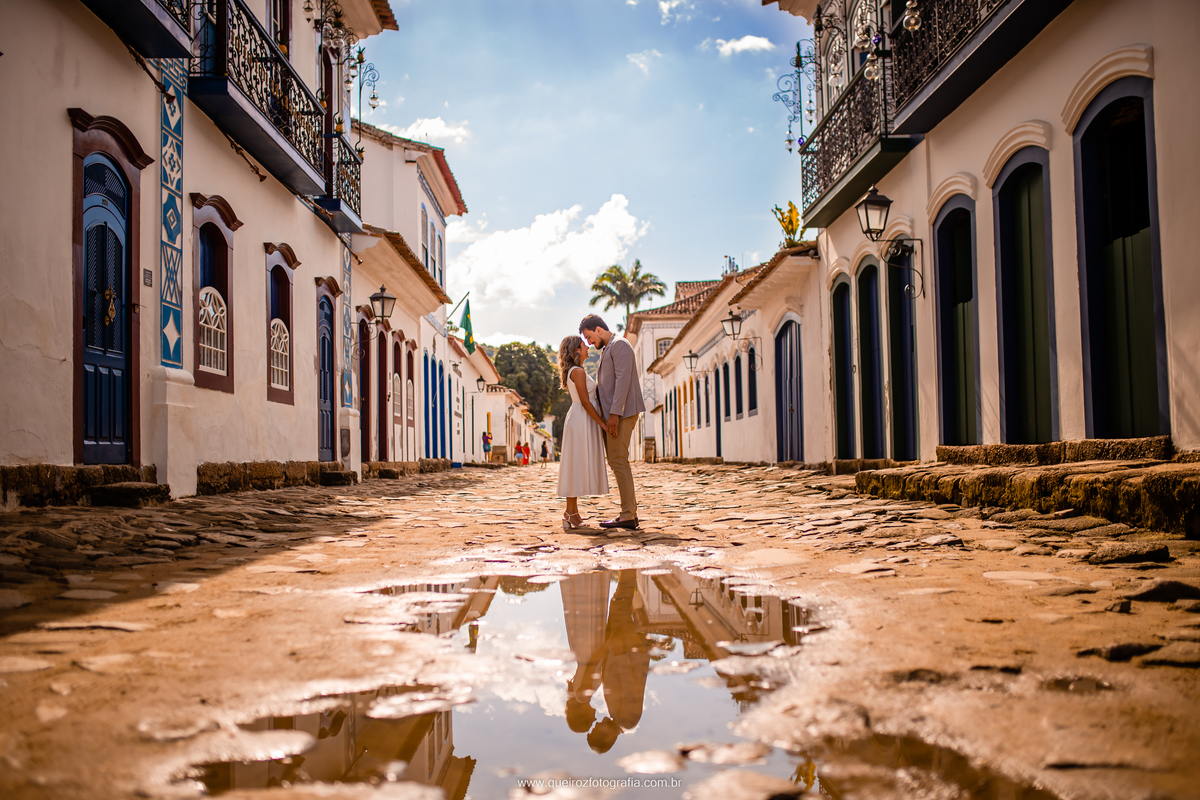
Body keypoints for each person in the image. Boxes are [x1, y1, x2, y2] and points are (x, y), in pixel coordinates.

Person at [580, 314, 646, 529]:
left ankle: (628, 515)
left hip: (623, 413)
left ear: (599, 329)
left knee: (618, 460)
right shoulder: (609, 348)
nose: (589, 343)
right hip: (615, 414)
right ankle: (629, 512)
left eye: (589, 337)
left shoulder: (620, 345)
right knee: (617, 461)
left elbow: (623, 380)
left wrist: (615, 415)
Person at [556, 335, 609, 529]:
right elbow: (586, 402)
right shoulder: (577, 372)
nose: (587, 347)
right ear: (576, 350)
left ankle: (572, 513)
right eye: (583, 344)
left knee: (575, 464)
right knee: (575, 464)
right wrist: (603, 424)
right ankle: (571, 513)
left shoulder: (577, 371)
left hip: (580, 418)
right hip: (581, 418)